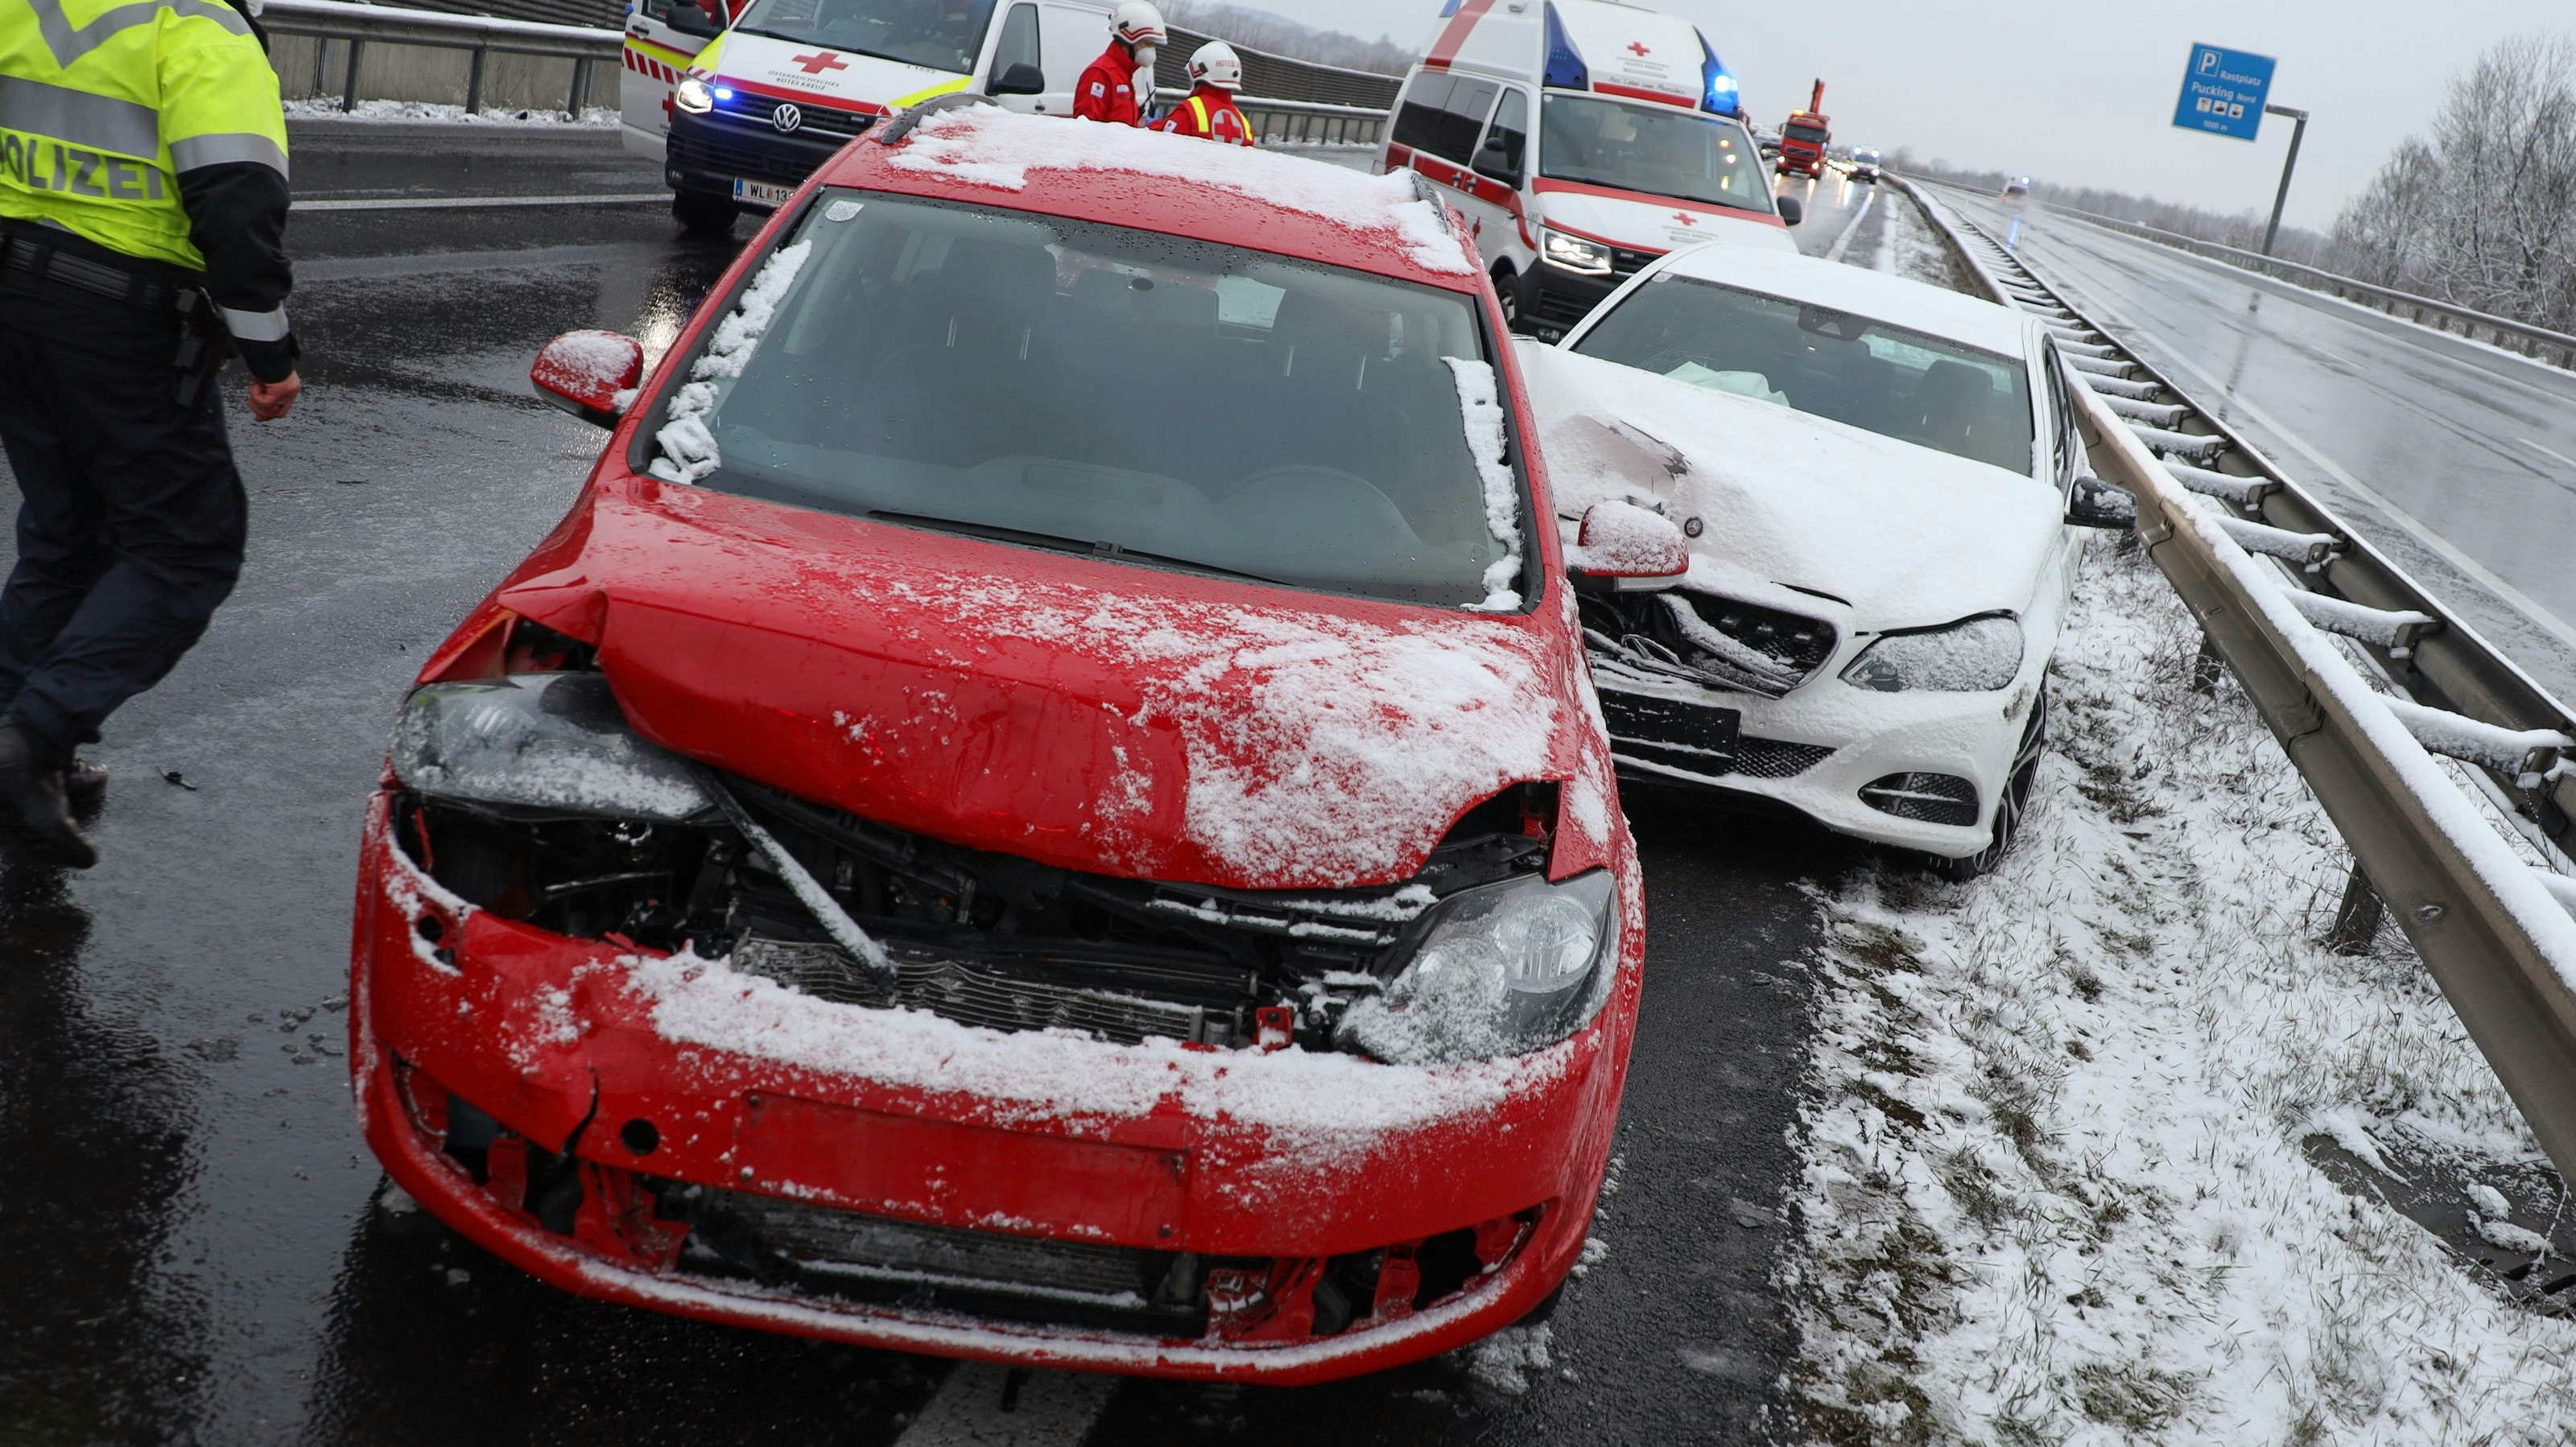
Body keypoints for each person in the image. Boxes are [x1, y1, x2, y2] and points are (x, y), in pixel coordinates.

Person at [0, 0, 302, 868]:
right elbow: (236, 203)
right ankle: (29, 739)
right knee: (187, 550)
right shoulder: (195, 26)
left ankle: (26, 750)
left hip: (14, 301)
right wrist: (267, 351)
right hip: (120, 322)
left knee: (66, 534)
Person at [1074, 2, 1166, 126]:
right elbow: (1085, 129)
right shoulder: (1100, 74)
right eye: (1148, 42)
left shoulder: (1123, 74)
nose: (1151, 49)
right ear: (1129, 39)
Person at [1151, 41, 1254, 146]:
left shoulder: (1189, 111)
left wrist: (1152, 125)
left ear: (1199, 73)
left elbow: (1163, 147)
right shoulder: (1245, 127)